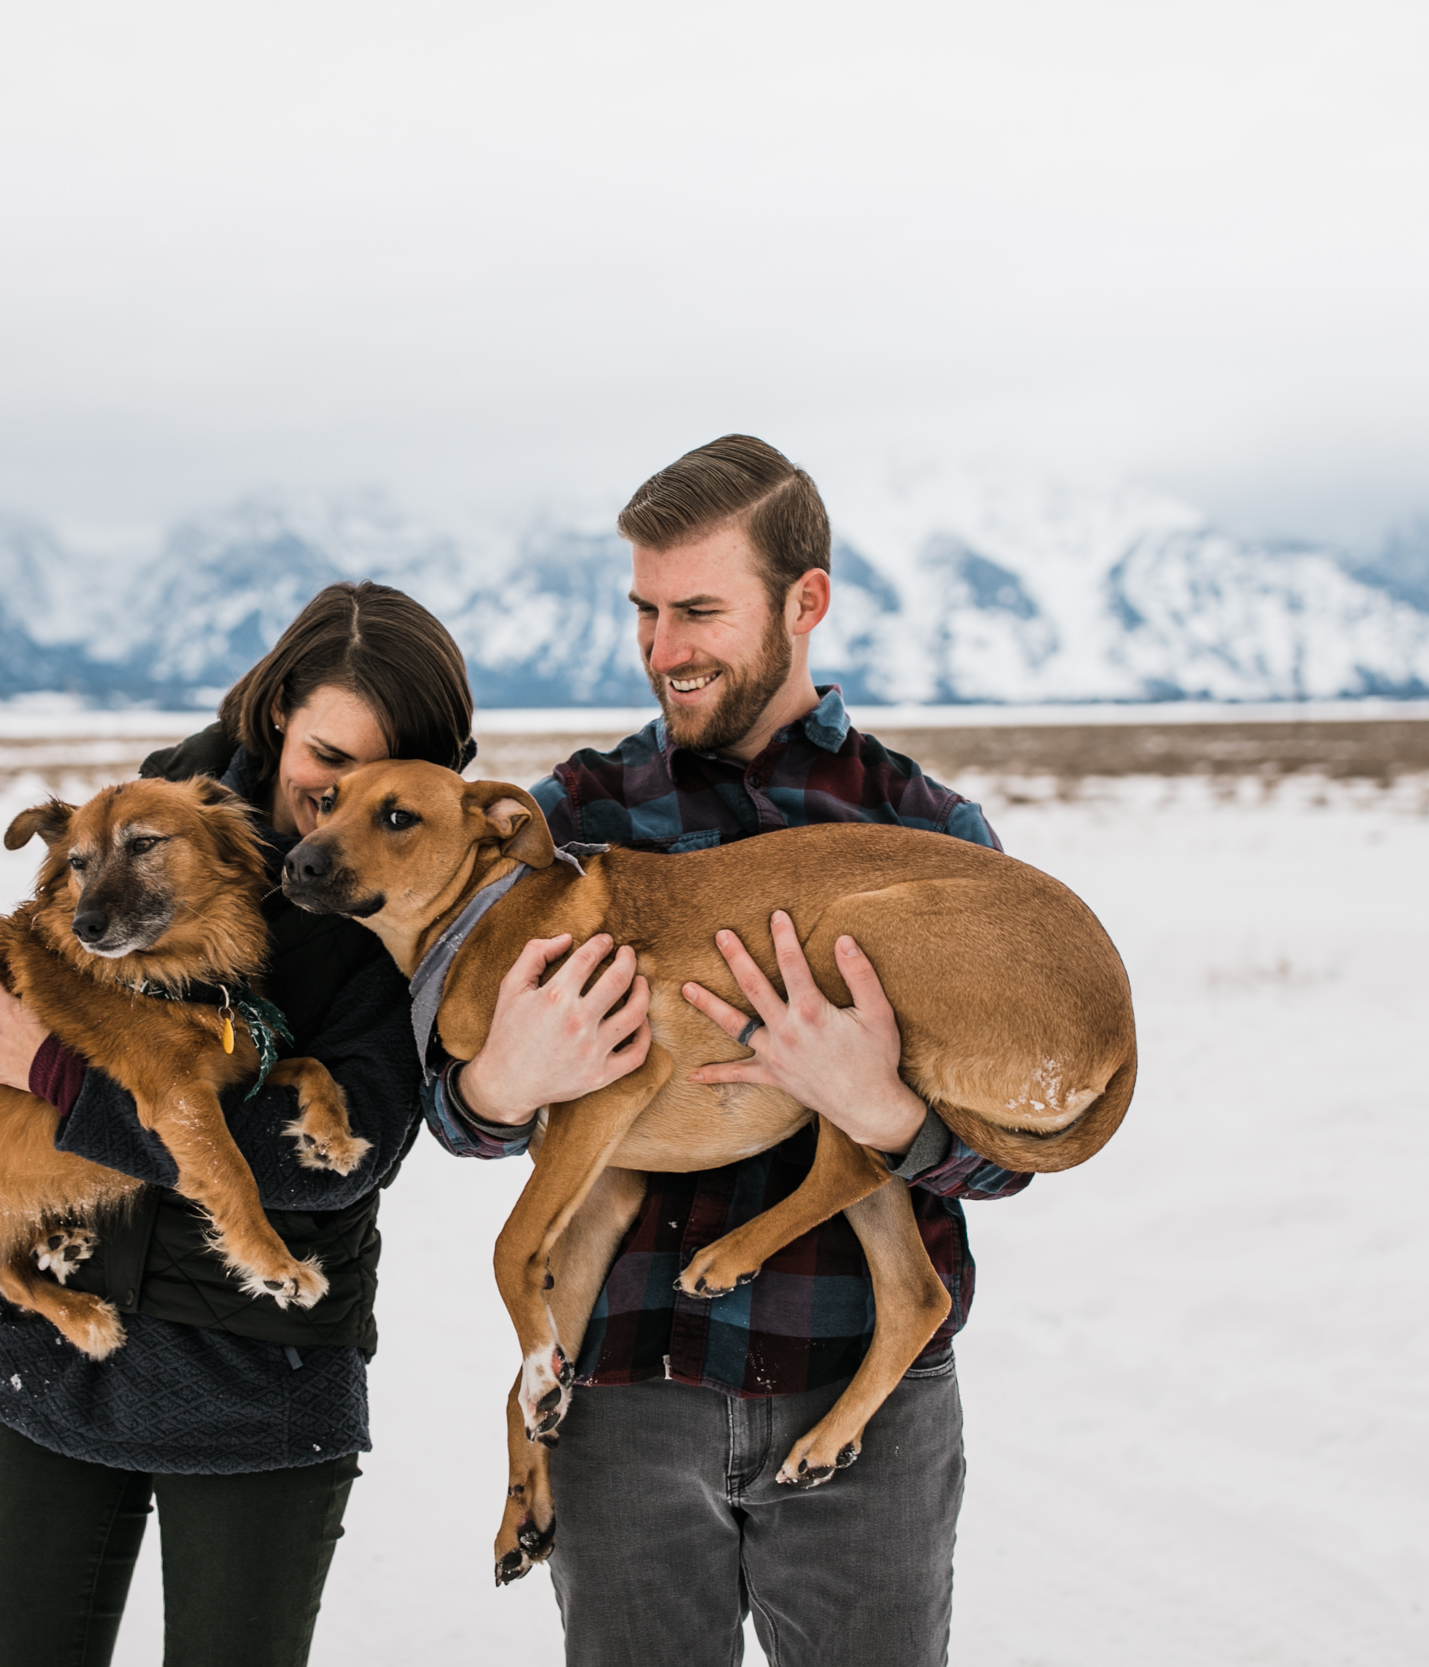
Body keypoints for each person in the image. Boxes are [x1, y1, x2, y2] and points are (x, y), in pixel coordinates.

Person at [421, 436, 1031, 1666]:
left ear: (805, 601)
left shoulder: (929, 836)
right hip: (622, 1401)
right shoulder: (566, 821)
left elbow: (1005, 1159)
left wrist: (891, 1114)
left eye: (699, 608)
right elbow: (455, 1108)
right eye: (644, 610)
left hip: (862, 1391)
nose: (663, 648)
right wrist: (498, 1084)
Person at [0, 580, 474, 1667]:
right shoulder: (138, 828)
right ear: (274, 716)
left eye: (377, 776)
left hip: (259, 1377)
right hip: (60, 1346)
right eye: (324, 759)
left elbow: (333, 1162)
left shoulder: (405, 904)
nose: (337, 803)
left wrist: (73, 1085)